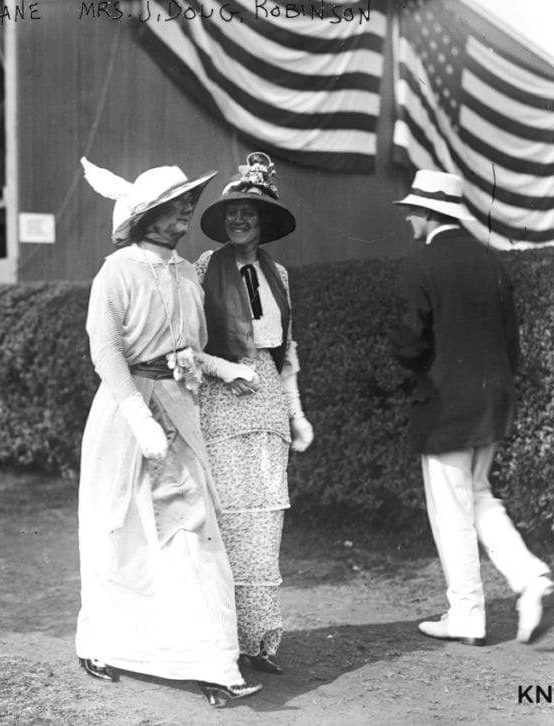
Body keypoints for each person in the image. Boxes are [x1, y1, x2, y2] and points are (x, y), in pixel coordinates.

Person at [75, 157, 263, 708]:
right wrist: (137, 415)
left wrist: (221, 369)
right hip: (125, 414)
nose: (188, 210)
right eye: (177, 204)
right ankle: (104, 642)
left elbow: (188, 345)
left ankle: (209, 658)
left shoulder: (186, 273)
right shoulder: (116, 271)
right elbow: (106, 350)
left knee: (189, 528)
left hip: (178, 410)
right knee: (120, 528)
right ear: (148, 216)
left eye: (188, 202)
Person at [391, 169, 554, 645]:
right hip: (492, 400)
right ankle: (529, 578)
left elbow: (407, 344)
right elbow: (511, 343)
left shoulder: (419, 265)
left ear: (426, 213)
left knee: (451, 510)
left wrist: (418, 367)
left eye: (412, 212)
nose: (408, 220)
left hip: (444, 406)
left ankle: (466, 614)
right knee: (478, 494)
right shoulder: (491, 263)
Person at [194, 152, 314, 674]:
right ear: (223, 220)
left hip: (266, 399)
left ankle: (259, 639)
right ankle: (221, 637)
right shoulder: (203, 267)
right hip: (222, 400)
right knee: (226, 517)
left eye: (252, 213)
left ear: (264, 222)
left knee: (266, 519)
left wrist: (297, 413)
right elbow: (187, 344)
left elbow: (287, 352)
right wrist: (223, 370)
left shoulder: (279, 274)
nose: (241, 219)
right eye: (234, 213)